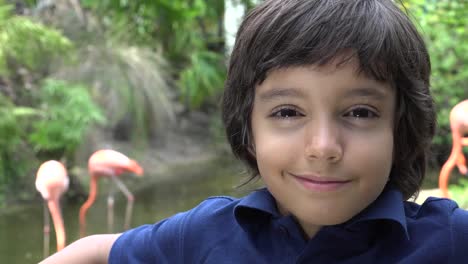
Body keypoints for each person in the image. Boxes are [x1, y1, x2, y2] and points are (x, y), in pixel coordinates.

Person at [40, 0, 468, 263]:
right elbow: (95, 252)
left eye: (359, 112)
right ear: (248, 129)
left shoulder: (449, 240)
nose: (323, 147)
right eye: (286, 112)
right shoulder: (205, 233)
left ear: (401, 128)